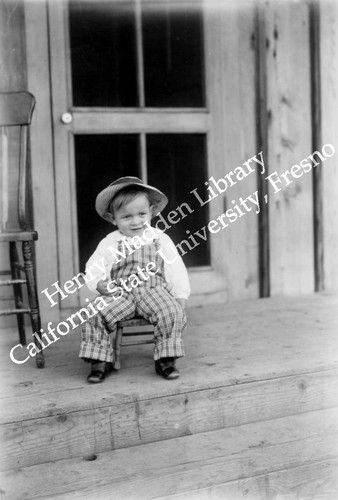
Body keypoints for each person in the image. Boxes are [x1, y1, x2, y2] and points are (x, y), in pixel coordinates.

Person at [79, 176, 190, 383]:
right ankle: (101, 362)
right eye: (127, 217)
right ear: (114, 219)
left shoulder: (160, 238)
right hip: (121, 293)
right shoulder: (111, 241)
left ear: (151, 213)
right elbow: (94, 266)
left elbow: (175, 268)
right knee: (92, 312)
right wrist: (99, 283)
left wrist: (180, 295)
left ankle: (166, 359)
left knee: (172, 312)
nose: (136, 221)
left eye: (142, 214)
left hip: (154, 290)